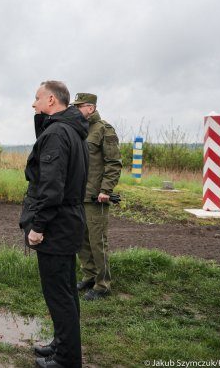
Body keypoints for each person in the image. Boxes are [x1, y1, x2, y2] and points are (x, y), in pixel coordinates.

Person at [19, 81, 88, 368]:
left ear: (50, 100)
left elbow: (51, 188)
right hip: (68, 221)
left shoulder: (58, 134)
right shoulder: (70, 129)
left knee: (59, 295)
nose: (33, 104)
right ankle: (62, 345)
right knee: (67, 292)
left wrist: (38, 227)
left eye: (36, 99)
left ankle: (67, 360)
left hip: (56, 226)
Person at [71, 93, 122, 301]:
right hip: (77, 195)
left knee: (97, 242)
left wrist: (106, 190)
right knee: (81, 240)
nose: (74, 110)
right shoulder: (78, 128)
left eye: (78, 106)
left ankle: (103, 285)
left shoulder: (104, 129)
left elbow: (114, 163)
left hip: (96, 197)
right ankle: (89, 276)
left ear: (90, 108)